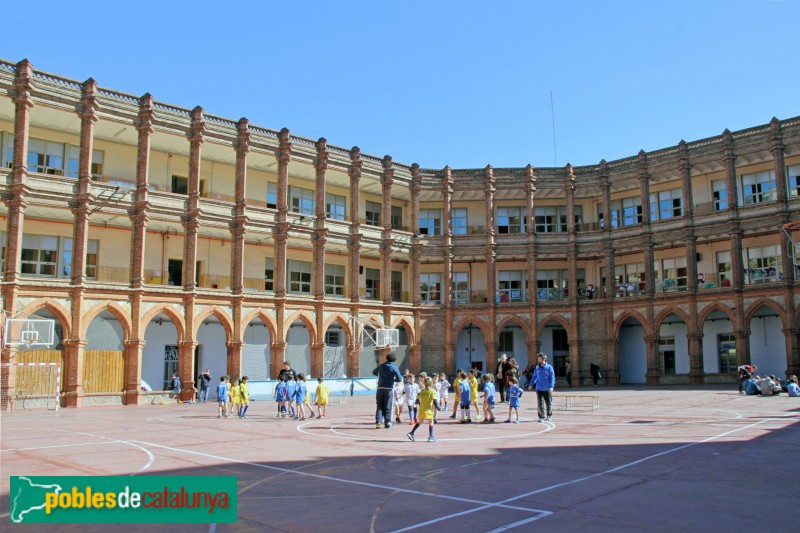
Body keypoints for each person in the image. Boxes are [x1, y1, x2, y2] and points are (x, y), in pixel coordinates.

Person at [372, 353, 403, 429]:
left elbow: (374, 372)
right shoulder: (394, 367)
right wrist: (392, 379)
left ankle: (378, 422)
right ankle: (387, 422)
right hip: (388, 389)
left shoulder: (381, 366)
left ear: (386, 358)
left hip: (380, 388)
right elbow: (399, 378)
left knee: (379, 405)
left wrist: (381, 377)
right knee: (388, 406)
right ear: (394, 359)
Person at [407, 377, 438, 442]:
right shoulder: (432, 391)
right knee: (431, 421)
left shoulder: (422, 391)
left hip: (422, 408)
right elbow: (435, 400)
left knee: (420, 421)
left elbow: (418, 399)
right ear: (431, 383)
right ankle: (431, 436)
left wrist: (416, 403)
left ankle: (411, 433)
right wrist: (438, 407)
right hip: (428, 409)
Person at [533, 353, 556, 422]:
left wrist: (551, 386)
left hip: (547, 389)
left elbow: (552, 378)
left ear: (544, 359)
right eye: (538, 359)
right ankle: (541, 417)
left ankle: (549, 415)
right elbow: (534, 377)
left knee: (548, 403)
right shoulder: (537, 368)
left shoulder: (549, 367)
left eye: (539, 359)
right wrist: (531, 384)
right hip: (539, 388)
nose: (538, 360)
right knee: (540, 403)